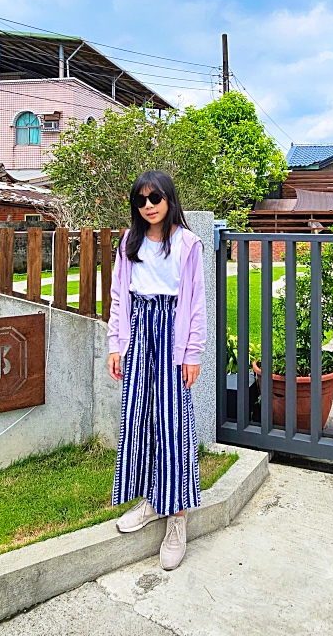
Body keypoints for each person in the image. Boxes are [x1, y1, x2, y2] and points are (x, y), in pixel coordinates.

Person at [106, 170, 205, 571]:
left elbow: (195, 301)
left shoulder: (187, 243)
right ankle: (152, 499)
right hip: (139, 332)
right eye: (141, 200)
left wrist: (192, 352)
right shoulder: (129, 243)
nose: (148, 206)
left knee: (172, 422)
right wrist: (116, 345)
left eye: (155, 198)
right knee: (141, 420)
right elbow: (118, 296)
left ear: (169, 200)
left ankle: (177, 517)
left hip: (172, 334)